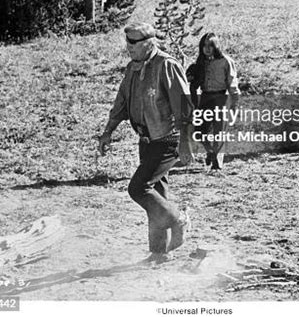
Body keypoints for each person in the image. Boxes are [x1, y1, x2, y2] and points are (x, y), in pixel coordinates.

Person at [98, 22, 192, 263]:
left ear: (149, 43)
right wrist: (108, 131)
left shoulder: (166, 65)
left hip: (167, 139)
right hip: (146, 139)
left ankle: (179, 218)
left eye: (133, 43)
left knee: (139, 188)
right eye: (127, 42)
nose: (128, 47)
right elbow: (121, 102)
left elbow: (184, 107)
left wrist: (185, 143)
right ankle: (159, 254)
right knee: (156, 195)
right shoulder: (133, 68)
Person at [187, 32, 240, 170]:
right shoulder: (200, 63)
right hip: (205, 98)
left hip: (221, 98)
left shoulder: (226, 61)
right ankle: (210, 152)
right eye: (204, 45)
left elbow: (232, 83)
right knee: (199, 131)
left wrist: (234, 102)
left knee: (219, 132)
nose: (207, 48)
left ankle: (218, 163)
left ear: (216, 46)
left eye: (210, 45)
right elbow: (193, 83)